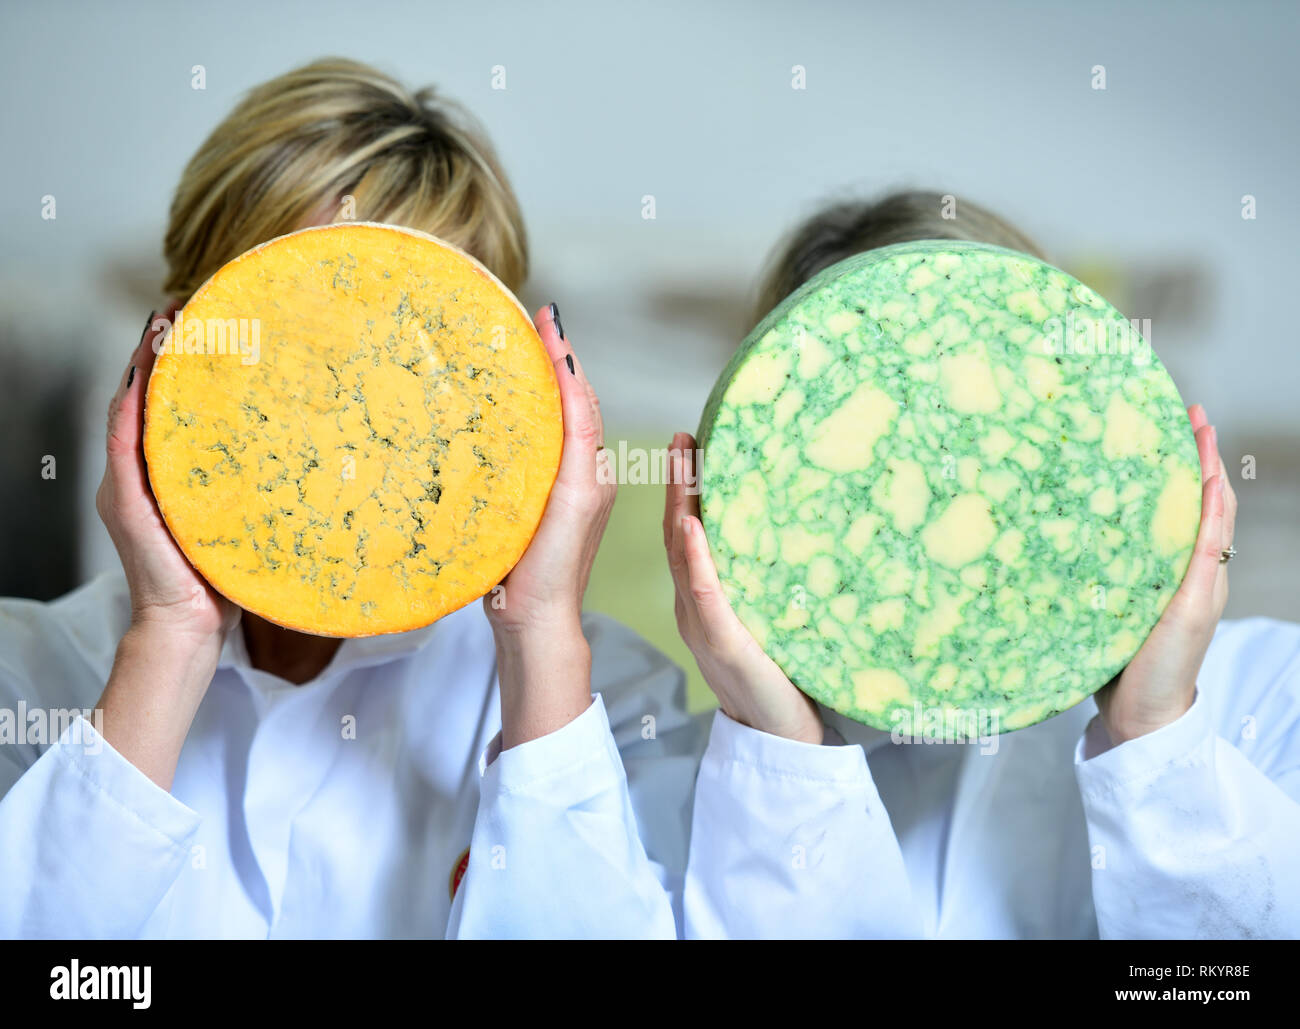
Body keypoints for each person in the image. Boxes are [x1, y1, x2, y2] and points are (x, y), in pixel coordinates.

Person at [0, 58, 703, 939]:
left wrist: (541, 639)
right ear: (168, 363)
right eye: (301, 348)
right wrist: (171, 636)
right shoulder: (24, 678)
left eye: (421, 359)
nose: (357, 422)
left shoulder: (609, 704)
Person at [665, 191, 1300, 939]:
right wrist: (783, 751)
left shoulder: (1269, 693)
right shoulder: (674, 779)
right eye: (871, 436)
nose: (941, 483)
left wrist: (1154, 735)